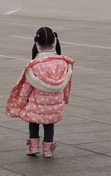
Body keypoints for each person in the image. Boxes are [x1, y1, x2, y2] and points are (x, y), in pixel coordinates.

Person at [6, 27, 74, 158]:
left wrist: (21, 102)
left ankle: (33, 146)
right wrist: (64, 98)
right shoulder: (63, 63)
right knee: (49, 123)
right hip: (55, 102)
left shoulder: (34, 65)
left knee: (34, 121)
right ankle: (48, 150)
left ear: (37, 44)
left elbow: (27, 86)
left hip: (37, 101)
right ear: (55, 42)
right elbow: (66, 83)